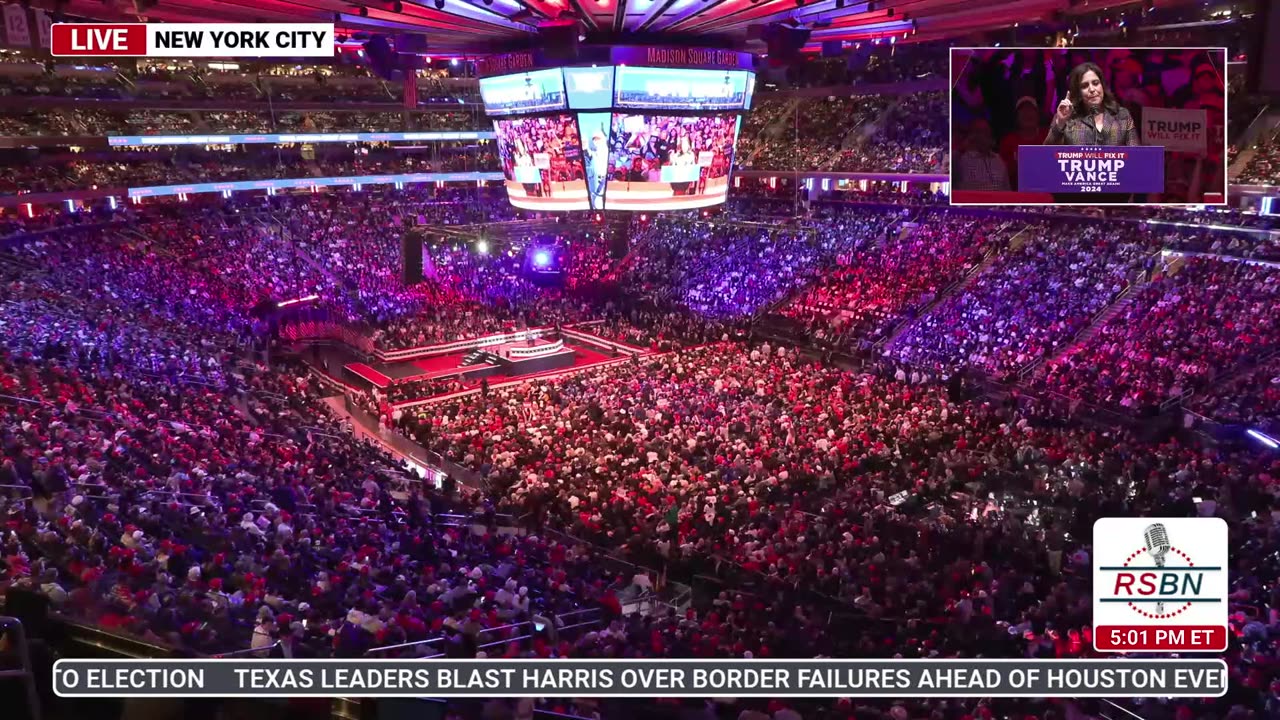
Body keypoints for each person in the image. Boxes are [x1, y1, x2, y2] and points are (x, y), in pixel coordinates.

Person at [1044, 61, 1140, 203]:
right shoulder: (1067, 116)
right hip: (1074, 199)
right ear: (1077, 92)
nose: (1092, 89)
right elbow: (1045, 157)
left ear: (1103, 85)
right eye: (1084, 86)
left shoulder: (1122, 115)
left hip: (1115, 198)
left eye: (1095, 83)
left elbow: (1137, 158)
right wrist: (1060, 123)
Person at [954, 119, 1011, 191]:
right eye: (978, 131)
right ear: (971, 135)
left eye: (986, 131)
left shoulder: (998, 159)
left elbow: (1007, 189)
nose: (982, 135)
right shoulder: (961, 159)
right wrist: (962, 147)